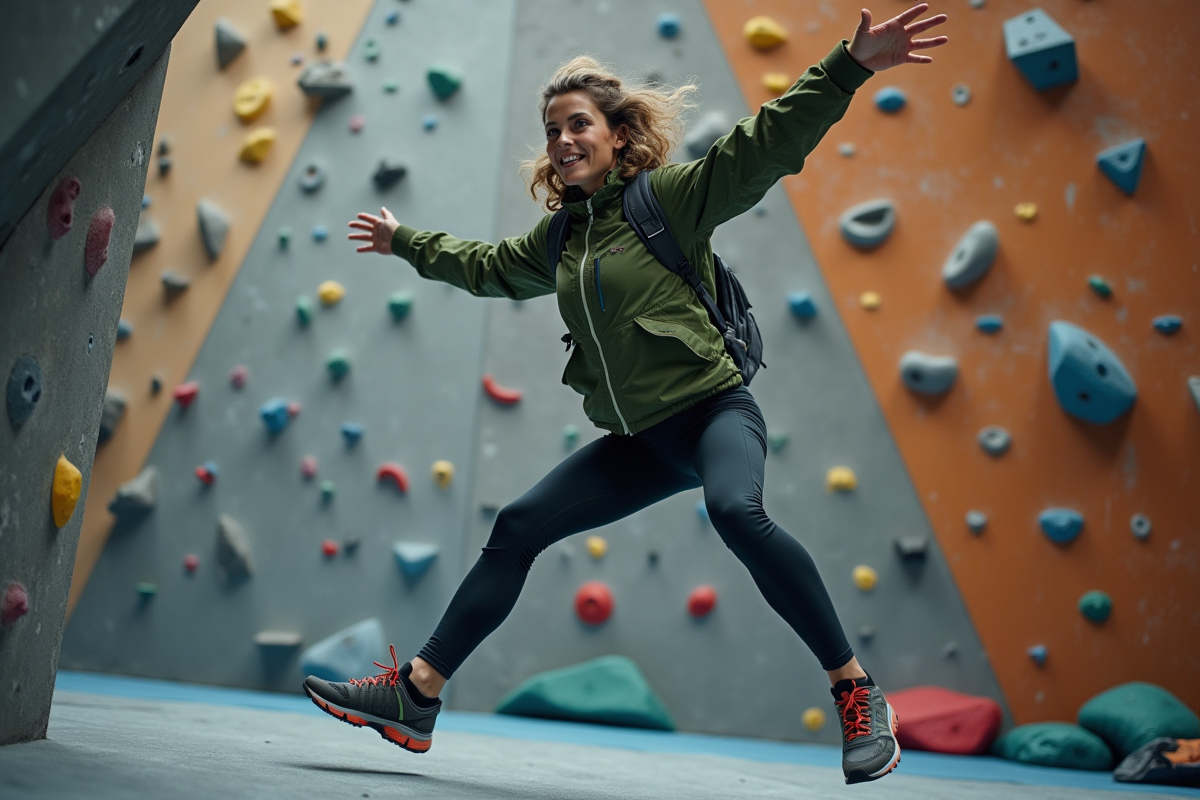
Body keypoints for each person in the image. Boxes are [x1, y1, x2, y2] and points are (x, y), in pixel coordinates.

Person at [305, 4, 948, 785]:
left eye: (578, 124)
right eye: (551, 130)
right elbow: (485, 267)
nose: (562, 140)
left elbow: (764, 144)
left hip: (715, 410)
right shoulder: (563, 241)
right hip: (641, 440)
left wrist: (847, 67)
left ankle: (855, 690)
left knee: (736, 511)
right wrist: (407, 241)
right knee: (518, 526)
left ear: (616, 135)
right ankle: (417, 696)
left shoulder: (669, 202)